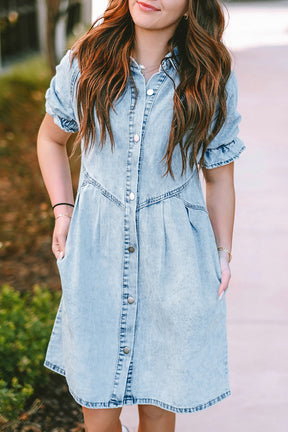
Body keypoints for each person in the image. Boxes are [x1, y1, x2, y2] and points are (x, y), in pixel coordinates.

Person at [37, 0, 246, 431]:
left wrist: (223, 252)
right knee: (98, 417)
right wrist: (63, 210)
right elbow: (50, 138)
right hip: (97, 258)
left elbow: (220, 178)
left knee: (156, 413)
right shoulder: (87, 60)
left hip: (174, 264)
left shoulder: (210, 77)